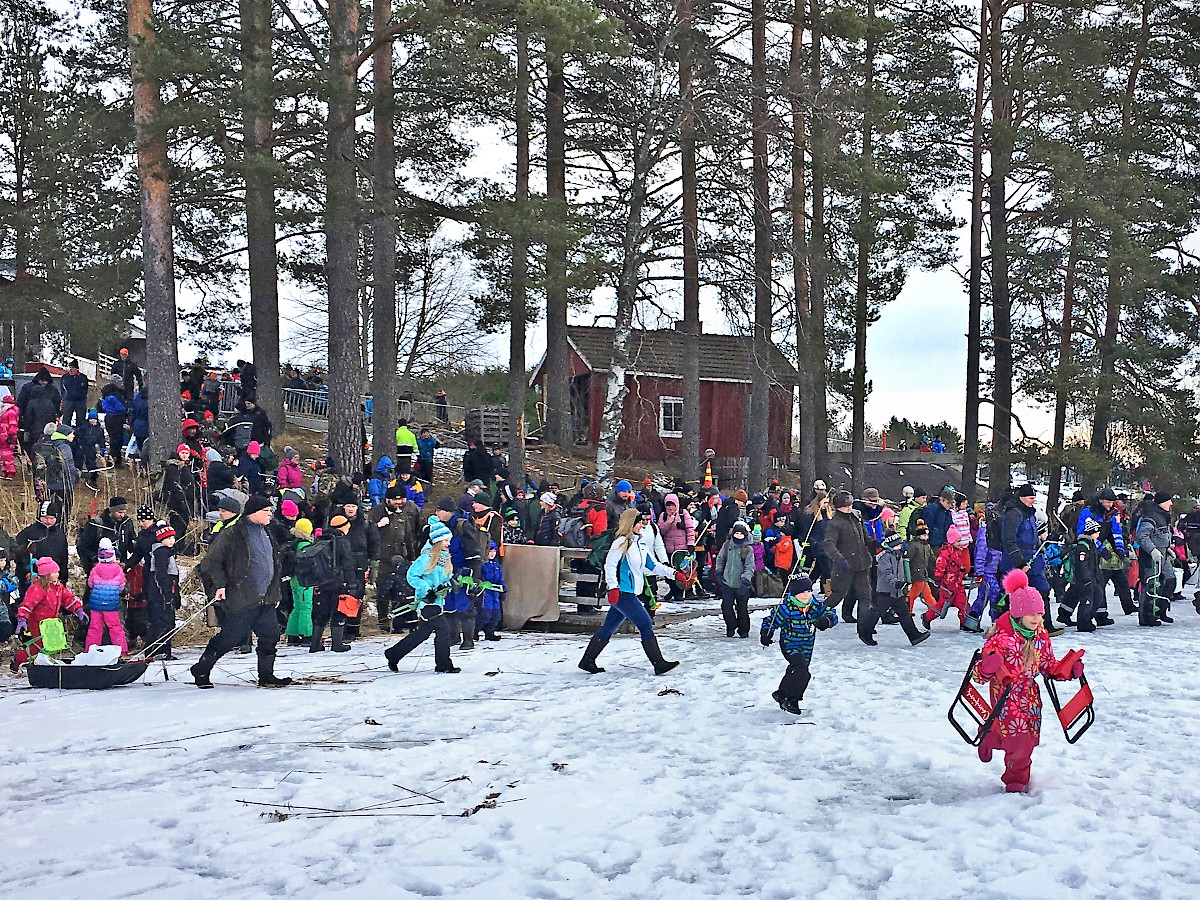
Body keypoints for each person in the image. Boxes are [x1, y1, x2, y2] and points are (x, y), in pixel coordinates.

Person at [972, 569, 1082, 793]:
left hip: (1030, 696)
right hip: (1006, 696)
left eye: (1040, 614)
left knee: (1028, 740)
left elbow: (1048, 665)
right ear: (1018, 614)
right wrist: (986, 668)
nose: (1037, 619)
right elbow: (978, 675)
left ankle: (990, 735)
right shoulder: (1002, 640)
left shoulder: (1041, 636)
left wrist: (1069, 670)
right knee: (1019, 740)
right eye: (1032, 614)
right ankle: (1015, 780)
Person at [191, 496, 292, 688]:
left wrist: (275, 593)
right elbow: (211, 563)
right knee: (230, 637)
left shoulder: (267, 532)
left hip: (266, 598)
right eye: (266, 511)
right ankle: (202, 668)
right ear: (254, 512)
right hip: (242, 596)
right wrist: (220, 585)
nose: (270, 514)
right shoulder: (233, 534)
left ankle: (266, 675)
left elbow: (274, 565)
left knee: (270, 635)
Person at [577, 508, 687, 675]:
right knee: (645, 623)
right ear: (631, 523)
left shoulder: (640, 543)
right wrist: (613, 587)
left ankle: (587, 660)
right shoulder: (621, 542)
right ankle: (658, 663)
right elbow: (610, 565)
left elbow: (653, 565)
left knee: (608, 628)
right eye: (639, 521)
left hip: (630, 592)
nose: (642, 524)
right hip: (622, 593)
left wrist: (674, 573)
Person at [384, 516, 459, 673]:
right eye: (445, 540)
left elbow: (444, 579)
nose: (448, 543)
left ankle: (393, 654)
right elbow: (412, 576)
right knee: (444, 630)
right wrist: (427, 589)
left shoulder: (444, 559)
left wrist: (450, 584)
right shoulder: (425, 558)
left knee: (422, 634)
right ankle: (443, 665)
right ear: (437, 541)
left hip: (437, 602)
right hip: (426, 602)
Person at [759, 573, 838, 714]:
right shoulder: (786, 608)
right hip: (790, 644)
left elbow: (832, 614)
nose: (806, 595)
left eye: (808, 591)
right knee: (800, 667)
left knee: (802, 673)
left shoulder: (814, 607)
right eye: (801, 592)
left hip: (807, 646)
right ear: (794, 593)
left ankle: (782, 693)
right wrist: (766, 633)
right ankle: (792, 701)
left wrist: (826, 620)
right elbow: (770, 621)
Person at [13, 557, 85, 669]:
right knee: (40, 645)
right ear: (46, 574)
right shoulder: (37, 588)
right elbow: (27, 604)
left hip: (51, 622)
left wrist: (78, 609)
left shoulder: (58, 587)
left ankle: (47, 667)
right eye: (55, 572)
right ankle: (19, 658)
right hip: (38, 622)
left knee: (51, 645)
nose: (58, 574)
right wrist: (22, 618)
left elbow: (68, 599)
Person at [859, 532, 929, 646]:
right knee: (876, 612)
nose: (899, 547)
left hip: (897, 591)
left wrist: (904, 583)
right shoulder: (885, 557)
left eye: (900, 545)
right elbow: (886, 573)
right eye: (897, 545)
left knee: (905, 613)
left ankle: (914, 635)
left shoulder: (898, 555)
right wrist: (896, 583)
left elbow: (901, 571)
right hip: (885, 591)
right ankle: (865, 633)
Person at [367, 484, 420, 633]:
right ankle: (383, 622)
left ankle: (399, 622)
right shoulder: (376, 512)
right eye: (395, 500)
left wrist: (412, 557)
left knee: (400, 592)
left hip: (400, 558)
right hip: (382, 558)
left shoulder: (404, 513)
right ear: (388, 499)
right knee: (383, 591)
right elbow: (366, 533)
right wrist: (378, 526)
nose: (398, 503)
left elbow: (408, 535)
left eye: (401, 499)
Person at [1077, 488, 1134, 616]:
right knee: (1087, 584)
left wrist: (1120, 550)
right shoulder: (1089, 512)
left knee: (1097, 584)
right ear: (1100, 500)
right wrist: (1101, 549)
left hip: (1101, 550)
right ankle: (1082, 614)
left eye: (1112, 502)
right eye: (1107, 502)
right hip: (1086, 548)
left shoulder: (1111, 514)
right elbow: (1085, 534)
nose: (1110, 505)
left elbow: (1116, 533)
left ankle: (1100, 614)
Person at [308, 514, 359, 652]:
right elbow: (347, 565)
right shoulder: (342, 541)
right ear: (344, 527)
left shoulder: (322, 539)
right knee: (338, 611)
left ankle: (315, 644)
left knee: (321, 613)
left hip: (323, 582)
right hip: (338, 581)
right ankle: (337, 644)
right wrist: (352, 585)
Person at [823, 490, 872, 624]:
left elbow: (865, 537)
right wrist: (839, 559)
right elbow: (828, 544)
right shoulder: (835, 523)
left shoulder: (857, 517)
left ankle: (864, 626)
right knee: (837, 594)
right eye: (846, 506)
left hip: (861, 562)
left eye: (850, 505)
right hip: (844, 565)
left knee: (865, 594)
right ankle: (816, 615)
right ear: (838, 507)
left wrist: (875, 543)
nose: (849, 508)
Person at [1135, 490, 1175, 627]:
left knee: (1170, 580)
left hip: (1162, 556)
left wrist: (1167, 548)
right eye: (1169, 500)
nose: (1171, 503)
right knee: (1151, 585)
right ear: (1162, 502)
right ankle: (1146, 617)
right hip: (1150, 558)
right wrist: (1153, 550)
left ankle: (1160, 610)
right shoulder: (1151, 517)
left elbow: (1162, 535)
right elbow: (1141, 536)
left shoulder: (1163, 516)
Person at [14, 501, 69, 600]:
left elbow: (64, 557)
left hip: (53, 577)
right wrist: (27, 569)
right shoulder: (28, 532)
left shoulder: (60, 534)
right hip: (32, 577)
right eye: (45, 517)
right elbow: (16, 552)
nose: (48, 521)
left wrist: (63, 578)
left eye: (51, 518)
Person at [84, 538, 128, 654]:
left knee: (95, 628)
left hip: (96, 604)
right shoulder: (118, 570)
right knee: (115, 628)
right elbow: (121, 587)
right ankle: (121, 651)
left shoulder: (95, 569)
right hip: (111, 604)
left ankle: (90, 651)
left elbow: (90, 584)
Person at [144, 523, 180, 660]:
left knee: (167, 622)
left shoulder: (168, 552)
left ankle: (163, 649)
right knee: (162, 622)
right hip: (160, 595)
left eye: (173, 538)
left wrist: (176, 595)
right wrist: (167, 594)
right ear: (161, 539)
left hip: (167, 593)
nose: (171, 541)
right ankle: (158, 650)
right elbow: (161, 576)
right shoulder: (161, 553)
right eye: (168, 538)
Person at [715, 520, 755, 638]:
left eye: (741, 534)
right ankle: (731, 626)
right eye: (736, 534)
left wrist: (746, 580)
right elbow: (720, 559)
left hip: (742, 583)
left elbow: (750, 566)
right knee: (726, 607)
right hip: (727, 582)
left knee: (742, 609)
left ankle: (743, 630)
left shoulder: (748, 550)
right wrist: (718, 572)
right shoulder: (727, 545)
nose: (738, 536)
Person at [928, 525, 972, 630]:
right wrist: (938, 578)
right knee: (941, 606)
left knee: (964, 604)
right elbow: (940, 565)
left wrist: (961, 571)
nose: (960, 543)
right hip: (947, 585)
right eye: (958, 541)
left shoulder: (958, 551)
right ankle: (927, 617)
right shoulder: (945, 553)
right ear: (951, 541)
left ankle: (964, 623)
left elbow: (958, 564)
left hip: (958, 583)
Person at [658, 493, 696, 602]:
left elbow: (690, 529)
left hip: (681, 549)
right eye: (668, 505)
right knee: (668, 572)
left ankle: (679, 592)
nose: (670, 507)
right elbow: (660, 531)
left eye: (672, 505)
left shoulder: (683, 514)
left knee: (681, 572)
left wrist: (690, 544)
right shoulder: (663, 516)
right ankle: (672, 589)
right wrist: (668, 523)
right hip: (668, 549)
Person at [16, 367, 61, 455]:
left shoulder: (51, 390)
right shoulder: (50, 393)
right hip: (37, 424)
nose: (44, 383)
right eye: (42, 380)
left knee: (32, 444)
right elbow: (21, 404)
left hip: (34, 425)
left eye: (45, 381)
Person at [477, 541, 505, 641]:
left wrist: (503, 590)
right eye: (490, 551)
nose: (492, 553)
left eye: (494, 551)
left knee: (496, 614)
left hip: (495, 592)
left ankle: (490, 632)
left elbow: (501, 578)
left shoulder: (496, 565)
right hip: (485, 592)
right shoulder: (482, 564)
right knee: (485, 613)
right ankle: (475, 630)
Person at [59, 359, 89, 429]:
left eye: (73, 367)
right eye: (70, 367)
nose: (71, 369)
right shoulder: (65, 377)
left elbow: (86, 389)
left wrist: (83, 397)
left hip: (80, 401)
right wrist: (64, 397)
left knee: (81, 419)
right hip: (68, 400)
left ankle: (80, 433)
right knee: (66, 419)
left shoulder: (83, 377)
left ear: (76, 368)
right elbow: (62, 388)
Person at [0, 393, 18, 479]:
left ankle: (11, 472)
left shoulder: (10, 412)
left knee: (8, 455)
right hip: (3, 436)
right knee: (4, 455)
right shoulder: (6, 411)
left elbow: (13, 425)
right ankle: (5, 471)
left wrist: (11, 436)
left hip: (7, 436)